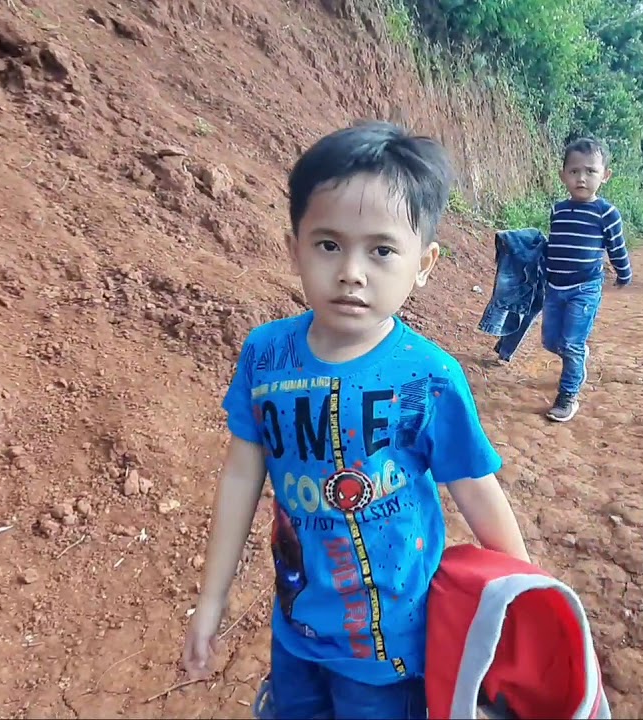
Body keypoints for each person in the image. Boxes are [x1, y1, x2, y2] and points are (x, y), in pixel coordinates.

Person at [181, 120, 530, 720]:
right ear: (294, 247)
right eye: (328, 244)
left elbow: (476, 490)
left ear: (424, 263)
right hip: (297, 626)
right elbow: (241, 476)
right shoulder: (265, 356)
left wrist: (526, 602)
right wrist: (211, 600)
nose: (352, 271)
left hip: (393, 646)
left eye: (382, 251)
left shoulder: (428, 375)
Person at [542, 137, 631, 423]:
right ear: (563, 175)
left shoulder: (607, 213)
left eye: (590, 171)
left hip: (585, 288)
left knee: (570, 344)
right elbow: (555, 246)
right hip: (554, 287)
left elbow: (617, 247)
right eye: (574, 171)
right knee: (551, 341)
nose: (581, 178)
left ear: (605, 176)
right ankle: (577, 357)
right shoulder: (558, 210)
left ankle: (568, 395)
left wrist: (624, 272)